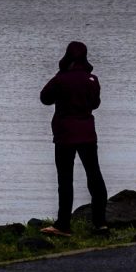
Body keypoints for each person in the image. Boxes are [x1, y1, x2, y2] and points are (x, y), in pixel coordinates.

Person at [39, 40, 108, 237]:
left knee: (65, 179)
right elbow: (95, 104)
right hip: (87, 133)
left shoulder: (61, 79)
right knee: (94, 177)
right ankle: (100, 223)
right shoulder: (92, 79)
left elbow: (44, 98)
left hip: (65, 135)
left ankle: (63, 224)